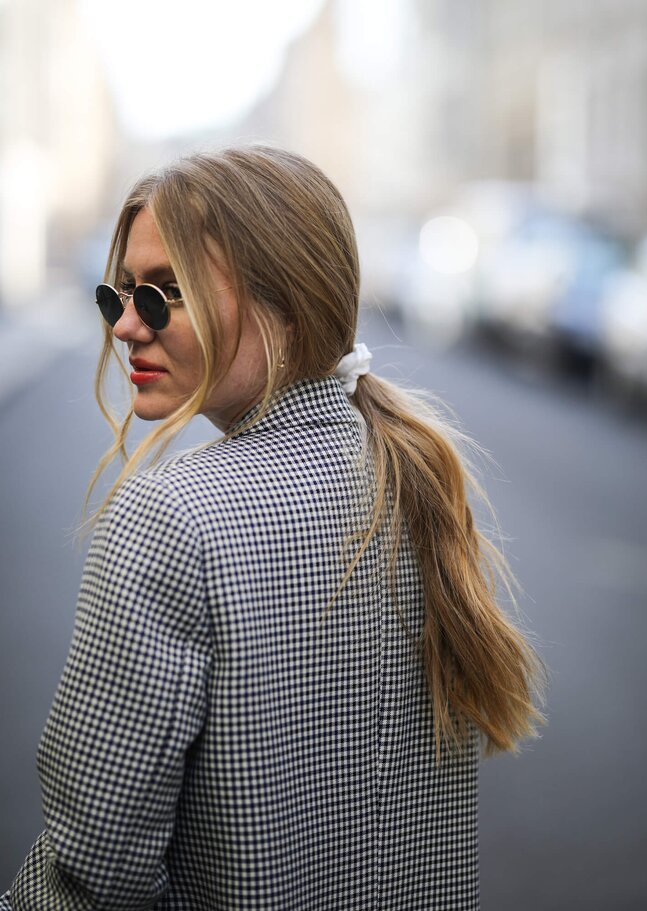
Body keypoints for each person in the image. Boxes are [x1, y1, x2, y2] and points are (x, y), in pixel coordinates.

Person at [0, 145, 545, 911]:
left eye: (164, 293)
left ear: (281, 304)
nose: (126, 324)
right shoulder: (409, 474)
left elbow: (93, 872)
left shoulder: (170, 518)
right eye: (118, 292)